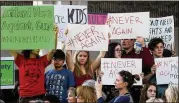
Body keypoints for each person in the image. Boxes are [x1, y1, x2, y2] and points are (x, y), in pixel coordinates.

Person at [120, 37, 154, 102]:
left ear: (133, 41)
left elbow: (150, 64)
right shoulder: (119, 54)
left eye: (126, 39)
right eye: (122, 39)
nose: (123, 41)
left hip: (136, 91)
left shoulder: (139, 52)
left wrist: (143, 46)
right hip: (121, 89)